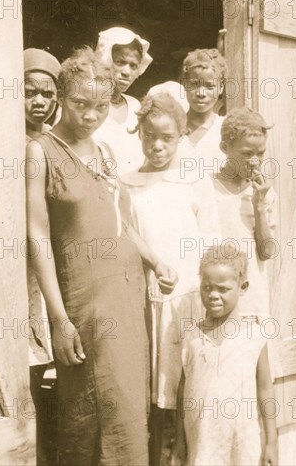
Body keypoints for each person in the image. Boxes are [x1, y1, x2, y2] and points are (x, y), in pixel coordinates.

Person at [26, 47, 177, 466]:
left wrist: (154, 259)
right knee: (86, 417)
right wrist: (59, 319)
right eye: (79, 104)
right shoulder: (41, 152)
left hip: (126, 301)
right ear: (60, 96)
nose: (90, 116)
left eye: (98, 106)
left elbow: (121, 224)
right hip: (84, 303)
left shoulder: (107, 154)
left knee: (128, 408)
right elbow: (37, 237)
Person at [121, 93, 221, 466]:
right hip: (149, 300)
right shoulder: (128, 183)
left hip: (190, 299)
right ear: (139, 135)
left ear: (181, 134)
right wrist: (150, 269)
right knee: (151, 390)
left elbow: (212, 240)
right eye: (149, 136)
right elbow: (127, 236)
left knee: (187, 388)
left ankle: (185, 456)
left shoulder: (195, 180)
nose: (157, 145)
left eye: (167, 137)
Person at [171, 245, 278, 466]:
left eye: (222, 289)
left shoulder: (254, 337)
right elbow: (183, 392)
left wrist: (271, 442)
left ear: (243, 287)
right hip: (202, 442)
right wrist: (180, 442)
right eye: (206, 287)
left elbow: (266, 389)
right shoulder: (191, 337)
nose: (213, 295)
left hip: (242, 442)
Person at [24, 47, 61, 465]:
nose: (38, 101)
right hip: (8, 266)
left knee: (47, 374)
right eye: (29, 91)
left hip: (47, 263)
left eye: (47, 94)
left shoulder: (55, 143)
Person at [213, 106, 277, 320]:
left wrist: (259, 206)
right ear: (225, 148)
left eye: (260, 154)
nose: (255, 161)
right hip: (216, 298)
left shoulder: (264, 194)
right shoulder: (207, 189)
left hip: (253, 299)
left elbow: (267, 252)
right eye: (247, 154)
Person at [93, 26, 153, 174]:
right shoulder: (86, 104)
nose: (127, 72)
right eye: (120, 62)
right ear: (105, 59)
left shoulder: (135, 106)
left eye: (133, 66)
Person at [181, 48, 227, 174]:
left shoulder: (227, 129)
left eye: (209, 86)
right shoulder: (172, 127)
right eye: (194, 84)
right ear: (185, 84)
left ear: (221, 87)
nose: (201, 93)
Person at [24, 48, 61, 142]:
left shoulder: (56, 138)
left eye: (48, 94)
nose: (39, 102)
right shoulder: (6, 140)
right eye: (29, 93)